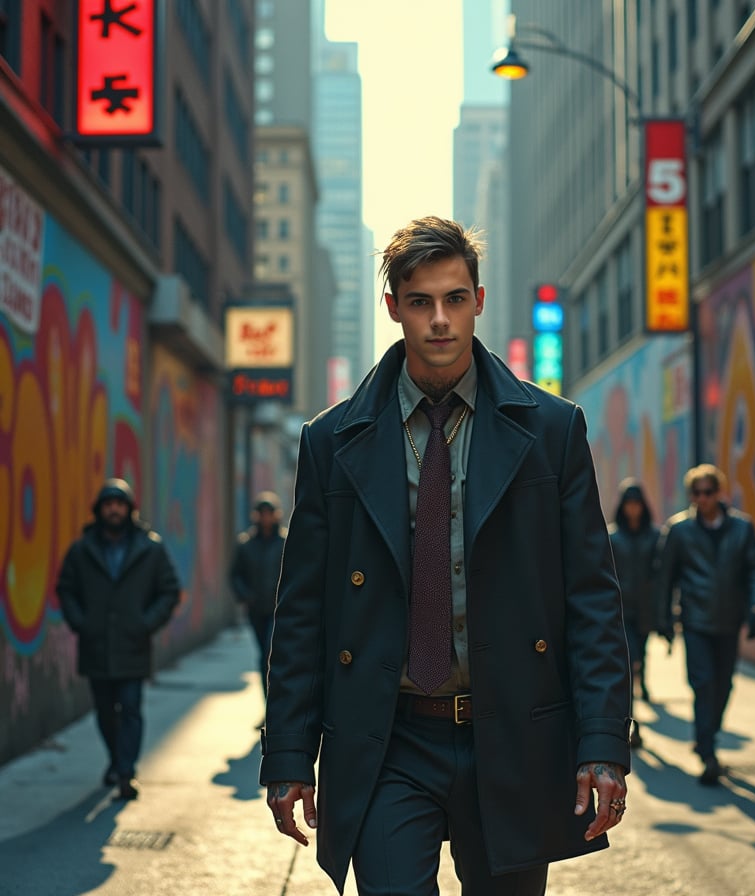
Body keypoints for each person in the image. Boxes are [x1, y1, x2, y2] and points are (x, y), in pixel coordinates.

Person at [261, 216, 631, 895]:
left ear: (479, 302)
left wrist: (604, 742)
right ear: (393, 307)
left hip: (513, 732)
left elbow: (592, 598)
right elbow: (303, 610)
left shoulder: (552, 432)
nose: (439, 319)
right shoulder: (331, 442)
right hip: (388, 740)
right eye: (421, 301)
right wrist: (288, 753)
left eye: (455, 299)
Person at [57, 478, 181, 800]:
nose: (114, 510)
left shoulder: (149, 549)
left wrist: (145, 623)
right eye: (108, 505)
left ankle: (126, 771)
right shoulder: (83, 550)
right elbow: (66, 589)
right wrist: (80, 622)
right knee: (104, 711)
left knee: (130, 708)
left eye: (120, 504)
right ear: (99, 510)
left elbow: (168, 591)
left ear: (129, 509)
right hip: (96, 645)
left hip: (133, 645)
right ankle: (116, 759)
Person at [656, 464, 755, 786]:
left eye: (708, 492)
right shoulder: (679, 530)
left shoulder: (741, 529)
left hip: (729, 620)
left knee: (723, 685)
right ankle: (708, 752)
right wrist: (663, 619)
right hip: (695, 621)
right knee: (703, 684)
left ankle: (707, 737)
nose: (702, 498)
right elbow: (665, 578)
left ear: (719, 492)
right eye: (696, 493)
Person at [607, 479, 661, 749]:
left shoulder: (655, 537)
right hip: (621, 613)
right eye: (629, 504)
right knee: (628, 667)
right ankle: (631, 723)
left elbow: (661, 576)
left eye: (637, 504)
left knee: (640, 659)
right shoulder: (612, 538)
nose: (633, 510)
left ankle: (635, 709)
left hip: (646, 613)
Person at [230, 491, 287, 699]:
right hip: (256, 611)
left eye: (269, 513)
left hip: (279, 610)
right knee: (264, 656)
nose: (265, 517)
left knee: (272, 657)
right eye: (262, 513)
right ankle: (268, 705)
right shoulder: (246, 544)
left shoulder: (285, 542)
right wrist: (246, 596)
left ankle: (277, 708)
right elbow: (235, 575)